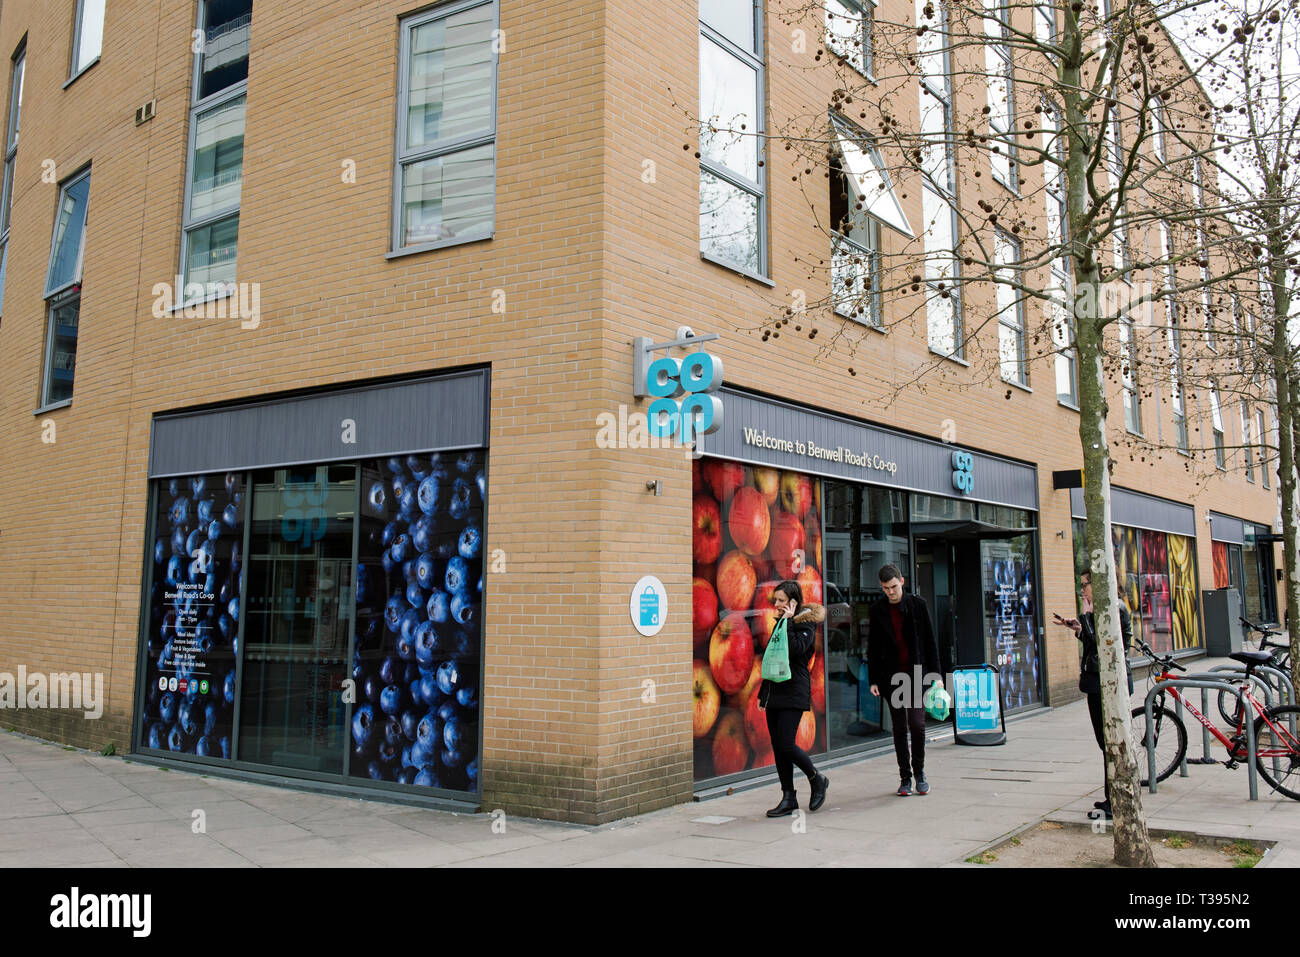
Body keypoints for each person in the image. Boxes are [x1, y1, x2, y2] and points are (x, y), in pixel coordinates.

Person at [1052, 569, 1133, 820]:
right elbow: (1094, 642)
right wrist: (1077, 627)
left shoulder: (1113, 608)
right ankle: (1112, 796)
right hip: (1098, 681)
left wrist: (1085, 617)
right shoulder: (1102, 610)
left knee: (1109, 741)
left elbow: (1104, 644)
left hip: (1106, 683)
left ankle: (1115, 799)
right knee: (1105, 742)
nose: (1082, 590)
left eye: (1085, 585)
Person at [867, 564, 941, 796]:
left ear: (902, 581)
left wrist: (936, 676)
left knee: (917, 725)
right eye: (886, 588)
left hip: (916, 675)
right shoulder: (877, 610)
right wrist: (873, 679)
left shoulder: (918, 605)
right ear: (881, 587)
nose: (891, 592)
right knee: (899, 728)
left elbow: (930, 641)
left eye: (894, 587)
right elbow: (872, 646)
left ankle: (919, 773)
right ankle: (905, 778)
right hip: (892, 677)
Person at [757, 580, 829, 817]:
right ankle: (788, 797)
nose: (776, 604)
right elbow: (772, 659)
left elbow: (796, 649)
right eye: (775, 600)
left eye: (780, 600)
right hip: (775, 693)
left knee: (786, 744)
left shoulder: (805, 623)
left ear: (793, 603)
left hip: (794, 692)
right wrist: (762, 694)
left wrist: (787, 622)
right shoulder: (780, 624)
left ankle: (816, 778)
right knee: (778, 748)